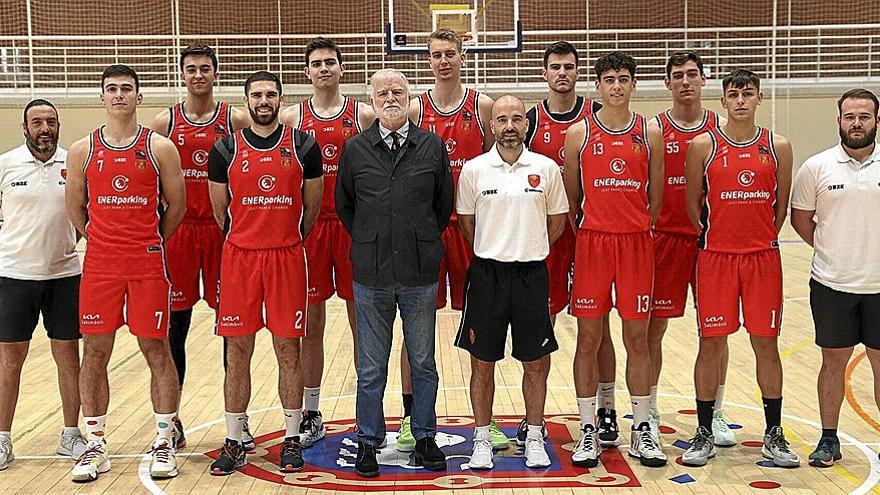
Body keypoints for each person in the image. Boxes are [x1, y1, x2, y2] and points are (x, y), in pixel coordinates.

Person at [65, 65, 186, 481]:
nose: (119, 95)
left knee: (157, 350)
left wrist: (148, 241)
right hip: (100, 265)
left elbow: (177, 207)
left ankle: (164, 439)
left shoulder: (160, 148)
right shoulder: (83, 150)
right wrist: (102, 240)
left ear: (139, 97)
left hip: (147, 262)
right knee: (94, 353)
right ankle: (95, 443)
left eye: (127, 89)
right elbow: (75, 210)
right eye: (112, 89)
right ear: (102, 97)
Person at [336, 68, 453, 478]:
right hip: (371, 276)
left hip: (420, 274)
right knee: (371, 367)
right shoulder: (355, 150)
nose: (391, 97)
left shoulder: (433, 146)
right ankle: (369, 441)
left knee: (423, 362)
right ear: (371, 99)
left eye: (398, 91)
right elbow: (345, 207)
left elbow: (443, 207)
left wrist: (418, 238)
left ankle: (424, 436)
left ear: (409, 97)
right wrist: (372, 239)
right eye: (382, 91)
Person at [206, 70, 323, 476]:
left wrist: (284, 238)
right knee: (238, 352)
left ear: (280, 99)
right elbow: (221, 213)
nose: (264, 101)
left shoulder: (304, 146)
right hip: (240, 260)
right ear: (246, 100)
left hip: (286, 258)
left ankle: (292, 438)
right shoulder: (225, 150)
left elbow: (311, 211)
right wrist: (248, 238)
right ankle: (235, 439)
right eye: (256, 94)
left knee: (288, 350)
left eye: (271, 94)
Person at [681, 69, 797, 468]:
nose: (742, 100)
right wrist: (721, 238)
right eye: (734, 94)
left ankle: (773, 434)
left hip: (763, 257)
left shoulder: (778, 145)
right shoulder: (703, 145)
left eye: (748, 93)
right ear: (724, 101)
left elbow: (780, 206)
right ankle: (703, 430)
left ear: (759, 99)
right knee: (711, 343)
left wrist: (760, 237)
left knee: (766, 344)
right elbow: (693, 204)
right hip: (715, 258)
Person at [400, 26, 505, 453]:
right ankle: (411, 419)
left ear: (462, 56)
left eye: (450, 53)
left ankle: (488, 421)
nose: (443, 61)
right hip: (425, 231)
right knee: (414, 331)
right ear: (427, 61)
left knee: (481, 327)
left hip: (470, 229)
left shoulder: (482, 107)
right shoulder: (412, 109)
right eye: (436, 55)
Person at [562, 51, 666, 468]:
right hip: (593, 244)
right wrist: (595, 228)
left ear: (634, 84)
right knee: (588, 339)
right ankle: (589, 427)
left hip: (636, 244)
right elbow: (572, 201)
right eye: (609, 79)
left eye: (624, 78)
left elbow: (655, 199)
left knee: (636, 339)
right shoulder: (579, 134)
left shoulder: (650, 132)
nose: (617, 86)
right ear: (599, 86)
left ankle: (642, 427)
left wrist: (635, 226)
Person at [455, 95, 568, 469]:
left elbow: (557, 223)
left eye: (517, 119)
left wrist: (527, 246)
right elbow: (468, 224)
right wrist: (497, 247)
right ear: (491, 125)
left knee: (535, 362)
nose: (509, 126)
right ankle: (482, 439)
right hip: (487, 275)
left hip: (531, 275)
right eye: (502, 119)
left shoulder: (547, 168)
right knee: (482, 363)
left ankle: (534, 436)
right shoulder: (473, 170)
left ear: (526, 124)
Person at [148, 43, 251, 450]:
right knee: (175, 328)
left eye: (205, 68)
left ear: (215, 73)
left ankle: (237, 419)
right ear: (182, 74)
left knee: (234, 331)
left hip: (225, 233)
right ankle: (170, 419)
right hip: (179, 233)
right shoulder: (163, 122)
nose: (198, 75)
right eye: (191, 69)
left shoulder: (235, 119)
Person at [523, 40, 619, 448]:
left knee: (597, 330)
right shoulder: (528, 121)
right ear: (544, 74)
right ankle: (536, 419)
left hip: (588, 238)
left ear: (579, 74)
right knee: (539, 329)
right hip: (545, 239)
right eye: (555, 67)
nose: (562, 73)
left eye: (569, 67)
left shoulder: (599, 117)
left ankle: (607, 409)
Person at [279, 36, 374, 448]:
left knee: (362, 326)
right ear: (307, 72)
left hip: (354, 228)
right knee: (311, 325)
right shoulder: (291, 118)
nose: (323, 69)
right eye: (316, 63)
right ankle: (312, 411)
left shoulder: (364, 115)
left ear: (342, 69)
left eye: (330, 62)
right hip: (313, 228)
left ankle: (364, 411)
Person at [648, 51, 735, 446]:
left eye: (693, 74)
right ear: (667, 83)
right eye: (678, 75)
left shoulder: (721, 129)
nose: (686, 81)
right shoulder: (653, 129)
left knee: (716, 335)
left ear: (704, 81)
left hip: (711, 244)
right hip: (664, 239)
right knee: (653, 330)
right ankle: (646, 409)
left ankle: (714, 412)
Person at [790, 88, 880, 467]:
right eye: (849, 116)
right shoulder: (817, 166)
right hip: (832, 285)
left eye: (864, 116)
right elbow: (800, 219)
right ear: (839, 120)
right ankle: (829, 440)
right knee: (832, 364)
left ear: (877, 120)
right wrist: (832, 249)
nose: (856, 123)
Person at [0, 99, 86, 470]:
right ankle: (3, 439)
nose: (45, 128)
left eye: (51, 121)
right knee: (10, 360)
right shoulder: (5, 164)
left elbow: (85, 214)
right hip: (14, 277)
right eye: (37, 122)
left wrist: (71, 245)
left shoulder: (74, 162)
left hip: (65, 276)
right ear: (25, 128)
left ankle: (71, 435)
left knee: (69, 356)